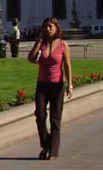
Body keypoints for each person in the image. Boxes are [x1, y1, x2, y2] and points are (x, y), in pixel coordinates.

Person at [28, 17, 73, 161]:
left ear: (56, 28)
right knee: (40, 115)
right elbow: (30, 58)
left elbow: (67, 65)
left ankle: (52, 150)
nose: (48, 29)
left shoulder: (63, 45)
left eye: (50, 26)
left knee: (55, 118)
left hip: (57, 84)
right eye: (46, 26)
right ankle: (46, 144)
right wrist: (39, 41)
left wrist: (70, 84)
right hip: (42, 84)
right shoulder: (42, 44)